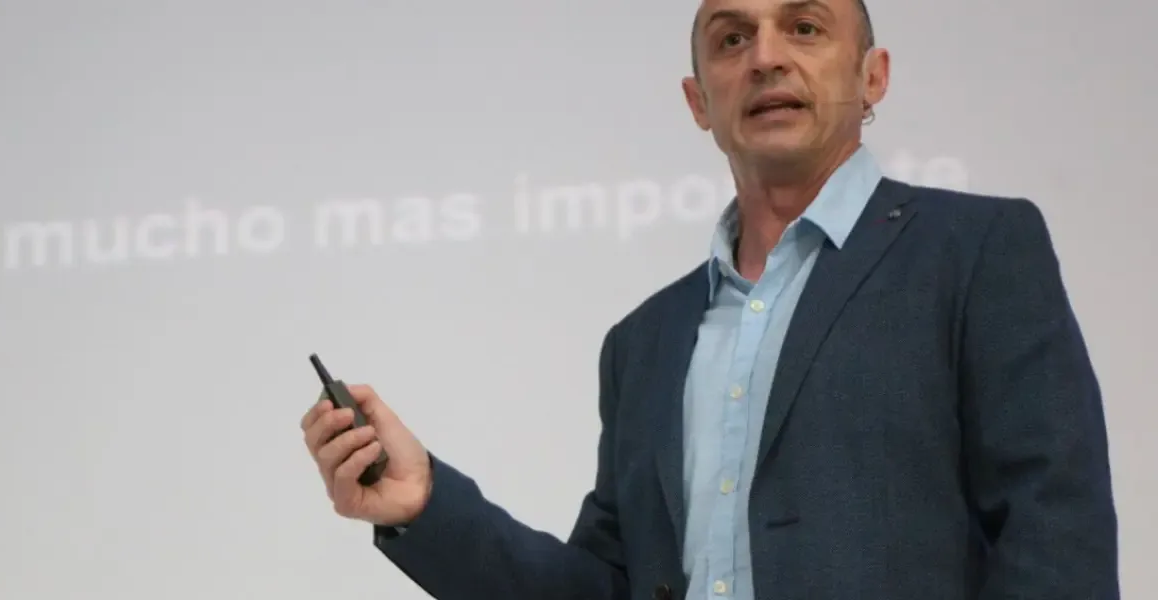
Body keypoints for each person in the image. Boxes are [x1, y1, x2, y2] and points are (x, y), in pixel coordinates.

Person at [298, 0, 1120, 597]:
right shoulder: (643, 342)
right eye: (732, 38)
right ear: (699, 103)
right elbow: (606, 587)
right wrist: (426, 505)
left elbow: (1056, 535)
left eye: (804, 27)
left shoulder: (976, 250)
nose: (765, 58)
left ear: (873, 76)